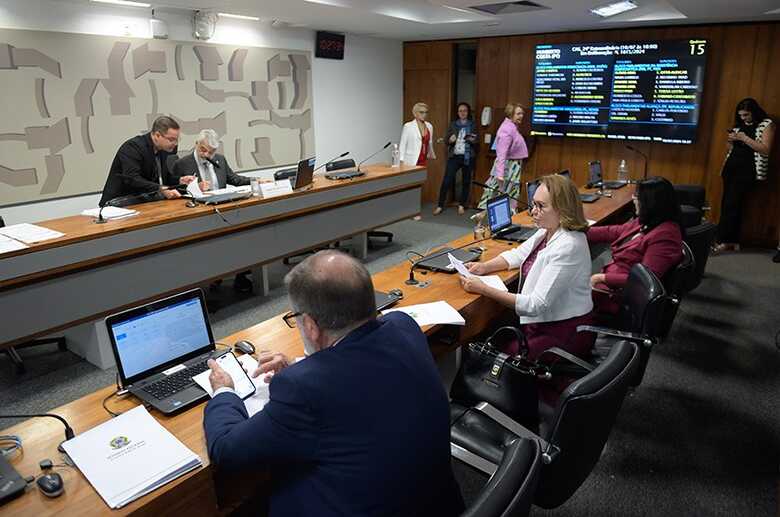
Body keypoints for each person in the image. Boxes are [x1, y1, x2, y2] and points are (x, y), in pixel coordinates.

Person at [203, 250, 464, 517]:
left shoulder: (304, 389)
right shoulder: (403, 325)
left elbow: (227, 450)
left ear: (311, 326)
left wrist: (224, 389)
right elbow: (359, 379)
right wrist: (299, 369)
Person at [460, 174, 594, 360]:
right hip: (543, 322)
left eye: (541, 206)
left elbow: (535, 305)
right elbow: (518, 254)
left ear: (562, 209)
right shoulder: (547, 230)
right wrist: (485, 267)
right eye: (533, 204)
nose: (533, 211)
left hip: (561, 332)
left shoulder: (569, 245)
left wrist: (484, 289)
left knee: (489, 350)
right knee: (485, 333)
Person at [587, 177, 683, 316]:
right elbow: (613, 231)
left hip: (623, 298)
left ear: (651, 202)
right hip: (614, 283)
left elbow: (644, 280)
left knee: (569, 292)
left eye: (637, 196)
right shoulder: (649, 220)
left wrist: (601, 278)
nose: (633, 199)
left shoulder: (665, 236)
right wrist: (581, 230)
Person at [713, 98, 775, 254]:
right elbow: (729, 149)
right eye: (741, 115)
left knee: (732, 205)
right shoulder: (739, 125)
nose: (743, 118)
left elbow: (765, 149)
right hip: (731, 168)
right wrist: (732, 140)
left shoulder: (767, 124)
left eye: (746, 115)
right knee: (727, 203)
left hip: (747, 170)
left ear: (754, 111)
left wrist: (743, 138)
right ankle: (732, 241)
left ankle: (723, 240)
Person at [99, 116, 183, 206]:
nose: (175, 144)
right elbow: (132, 178)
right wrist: (160, 188)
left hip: (146, 200)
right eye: (171, 139)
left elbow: (164, 177)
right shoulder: (133, 147)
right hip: (120, 201)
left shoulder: (166, 149)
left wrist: (180, 180)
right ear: (157, 135)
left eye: (177, 139)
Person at [477, 103, 529, 212]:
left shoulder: (512, 126)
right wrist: (499, 175)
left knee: (508, 197)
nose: (521, 116)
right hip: (507, 168)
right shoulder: (507, 130)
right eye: (518, 114)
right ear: (511, 114)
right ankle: (482, 221)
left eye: (522, 113)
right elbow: (501, 154)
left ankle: (507, 220)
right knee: (497, 196)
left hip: (512, 167)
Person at [434, 102, 477, 216]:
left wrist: (472, 140)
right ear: (458, 113)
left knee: (466, 181)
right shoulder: (453, 124)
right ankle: (440, 205)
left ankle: (462, 205)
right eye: (460, 111)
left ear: (468, 112)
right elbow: (446, 139)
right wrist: (450, 140)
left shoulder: (472, 124)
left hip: (468, 156)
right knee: (447, 180)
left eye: (465, 111)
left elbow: (477, 140)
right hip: (455, 156)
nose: (462, 113)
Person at [171, 129, 250, 191]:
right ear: (196, 143)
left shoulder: (220, 159)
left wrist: (255, 180)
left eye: (211, 152)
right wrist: (195, 188)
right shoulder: (181, 164)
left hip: (221, 205)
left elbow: (235, 179)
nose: (206, 155)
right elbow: (176, 189)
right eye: (203, 149)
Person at [399, 102, 436, 167]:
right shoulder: (408, 126)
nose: (424, 115)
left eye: (426, 112)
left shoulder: (429, 126)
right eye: (421, 112)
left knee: (423, 177)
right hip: (411, 160)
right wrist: (401, 160)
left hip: (424, 160)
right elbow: (402, 145)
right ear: (415, 113)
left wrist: (431, 154)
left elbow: (429, 142)